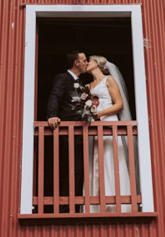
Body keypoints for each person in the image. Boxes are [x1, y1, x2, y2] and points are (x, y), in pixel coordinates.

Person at [85, 55, 134, 213]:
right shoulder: (87, 86)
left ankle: (117, 204)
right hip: (94, 126)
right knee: (95, 160)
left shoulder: (109, 80)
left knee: (110, 158)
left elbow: (119, 104)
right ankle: (96, 205)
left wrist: (100, 113)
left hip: (108, 121)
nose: (86, 63)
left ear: (97, 64)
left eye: (89, 61)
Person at [46, 51, 87, 213]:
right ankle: (66, 205)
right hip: (69, 129)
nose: (86, 63)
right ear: (76, 62)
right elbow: (55, 96)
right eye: (84, 60)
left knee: (80, 166)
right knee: (74, 165)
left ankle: (75, 203)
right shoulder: (63, 78)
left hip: (81, 128)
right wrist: (52, 115)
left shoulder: (81, 82)